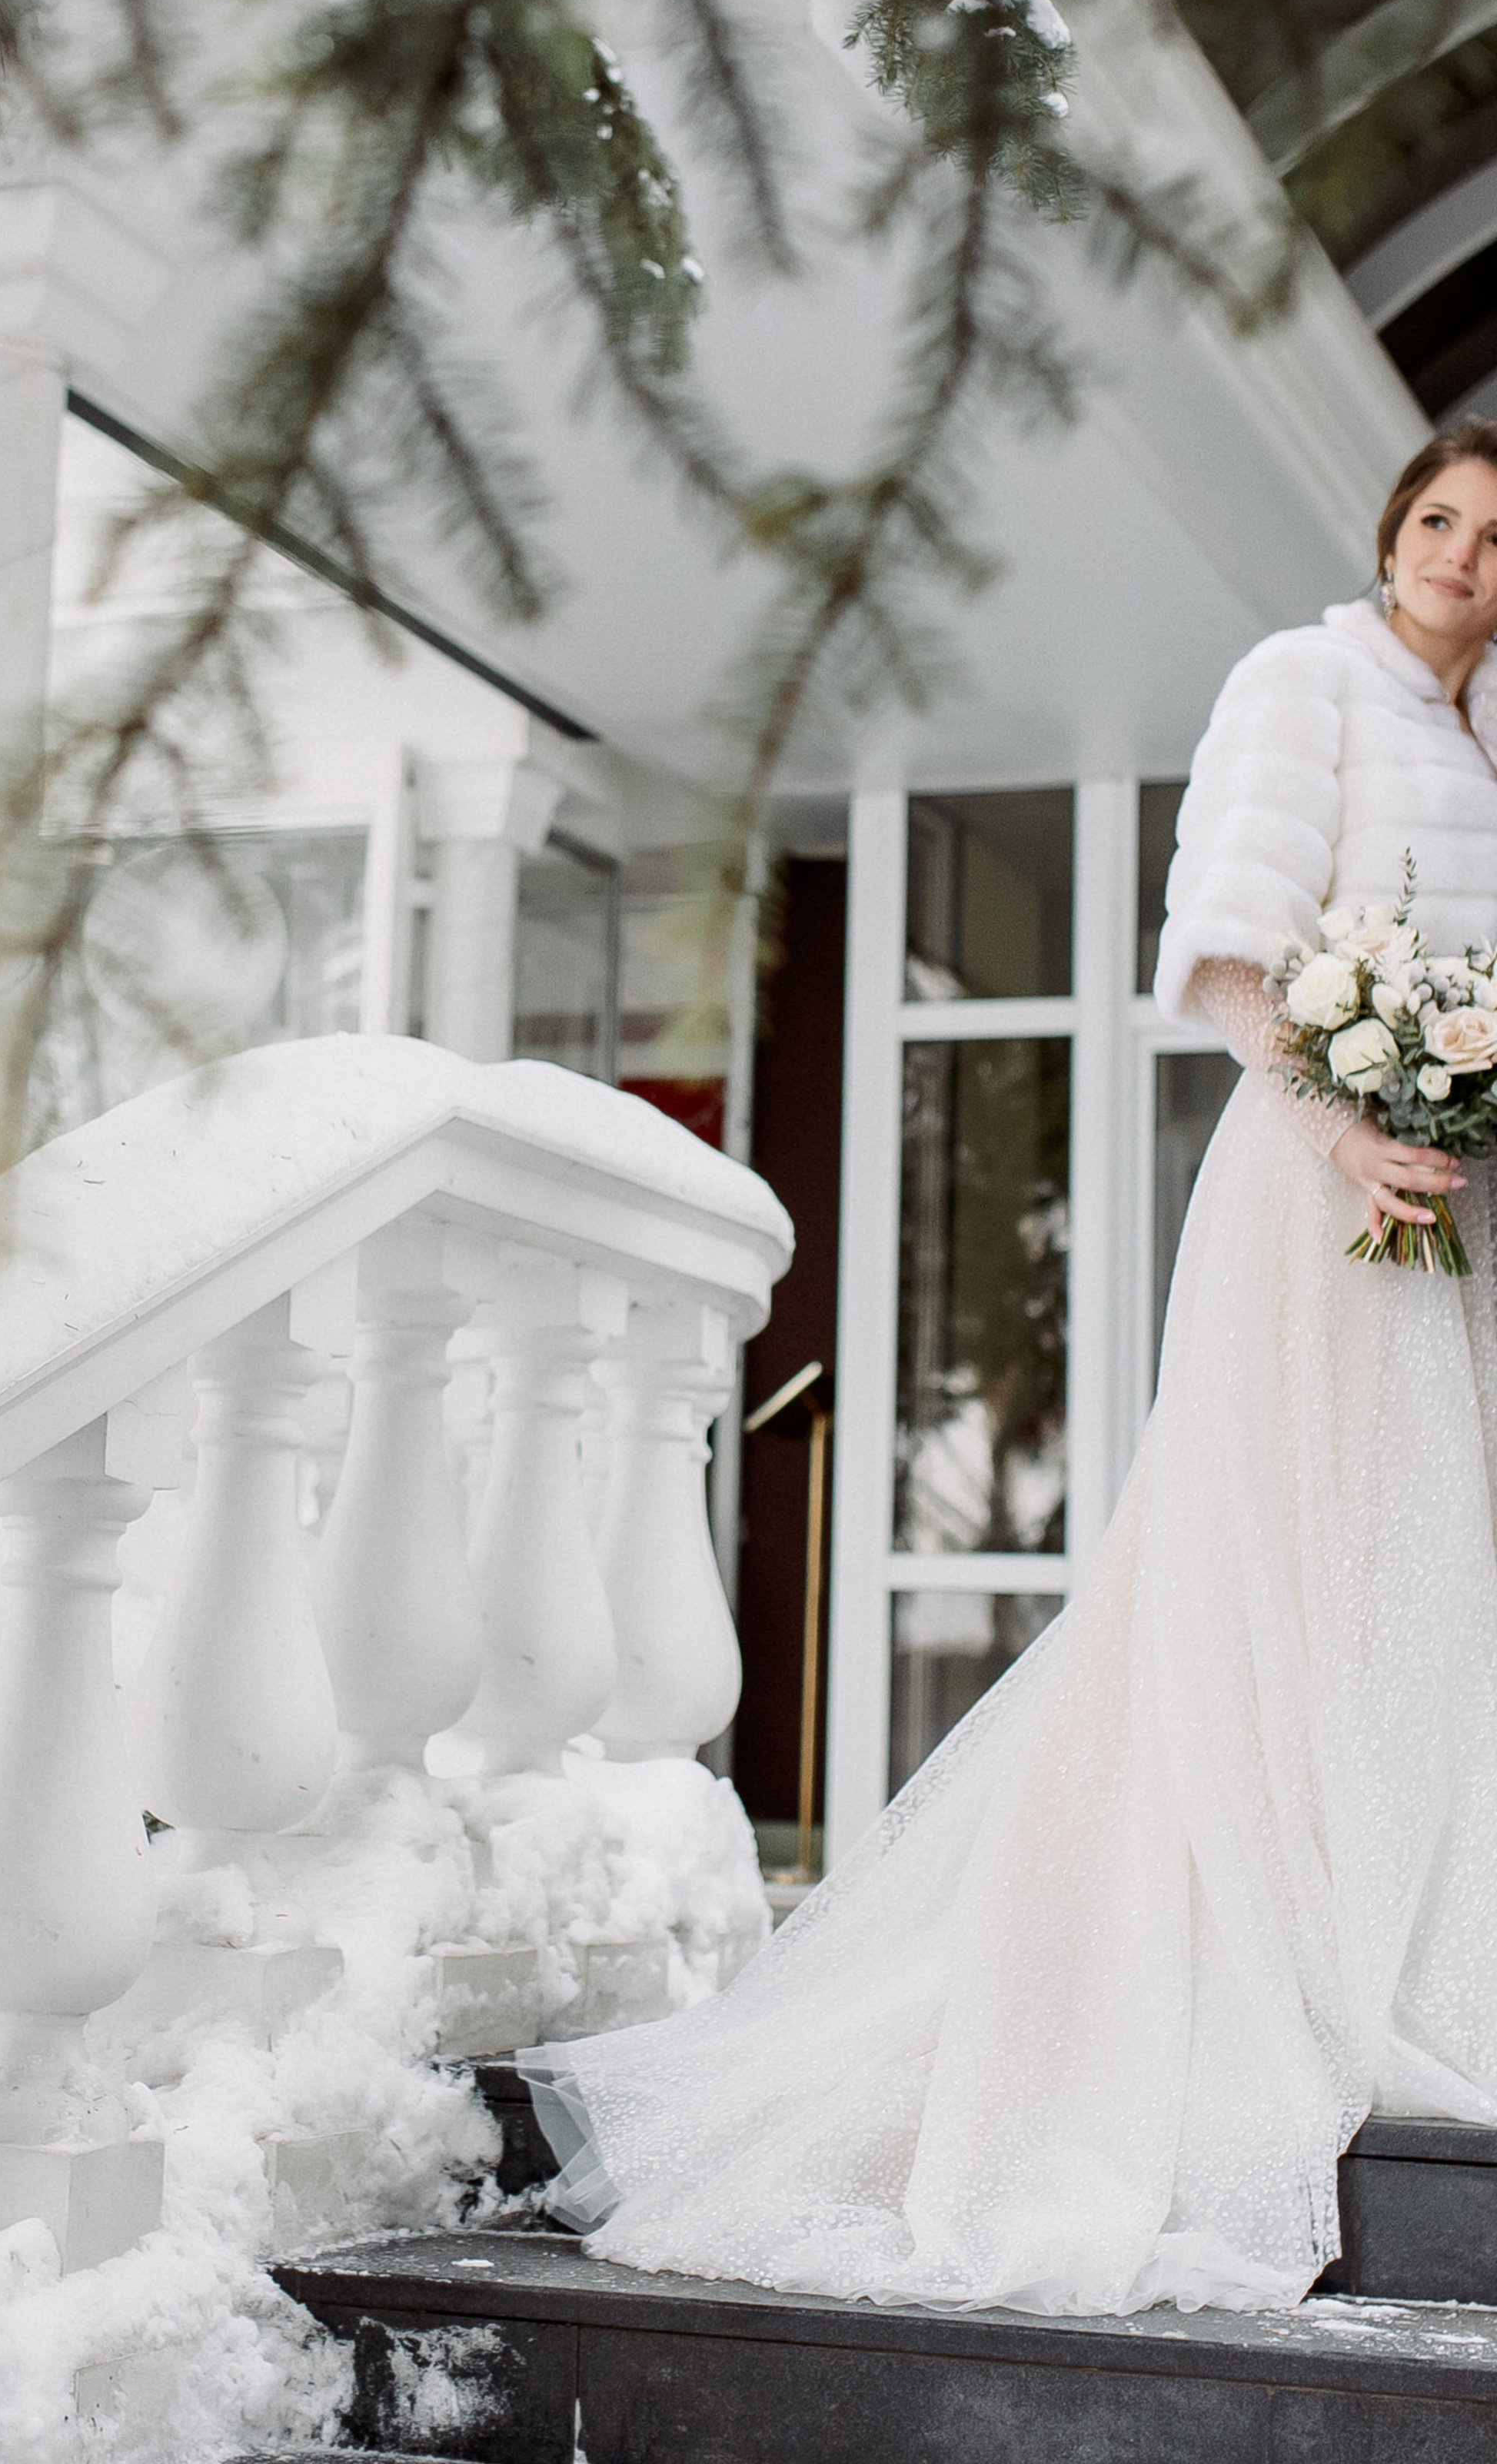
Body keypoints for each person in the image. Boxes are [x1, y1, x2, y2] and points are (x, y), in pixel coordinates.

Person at [520, 417, 1497, 2318]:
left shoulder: (1481, 746)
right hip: (1321, 1208)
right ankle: (1253, 1960)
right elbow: (1218, 955)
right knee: (1292, 1572)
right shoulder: (1302, 682)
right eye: (1436, 517)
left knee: (1433, 1588)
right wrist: (1346, 1126)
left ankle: (1413, 1949)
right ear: (1388, 537)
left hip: (1454, 1221)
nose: (1461, 554)